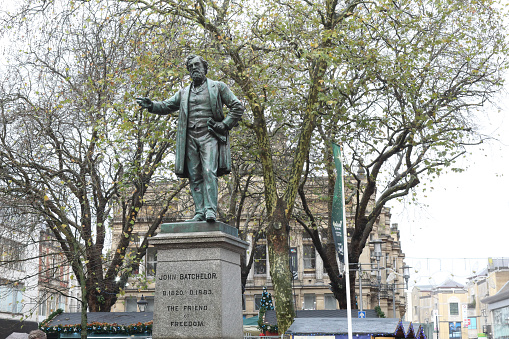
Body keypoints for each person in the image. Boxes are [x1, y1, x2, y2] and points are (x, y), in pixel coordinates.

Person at [137, 55, 244, 222]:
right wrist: (151, 105)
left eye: (197, 65)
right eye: (191, 66)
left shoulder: (218, 87)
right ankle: (199, 211)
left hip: (210, 136)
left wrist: (225, 124)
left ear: (204, 67)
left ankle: (210, 210)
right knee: (194, 175)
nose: (194, 68)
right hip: (190, 138)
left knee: (209, 171)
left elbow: (237, 106)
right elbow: (167, 105)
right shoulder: (184, 92)